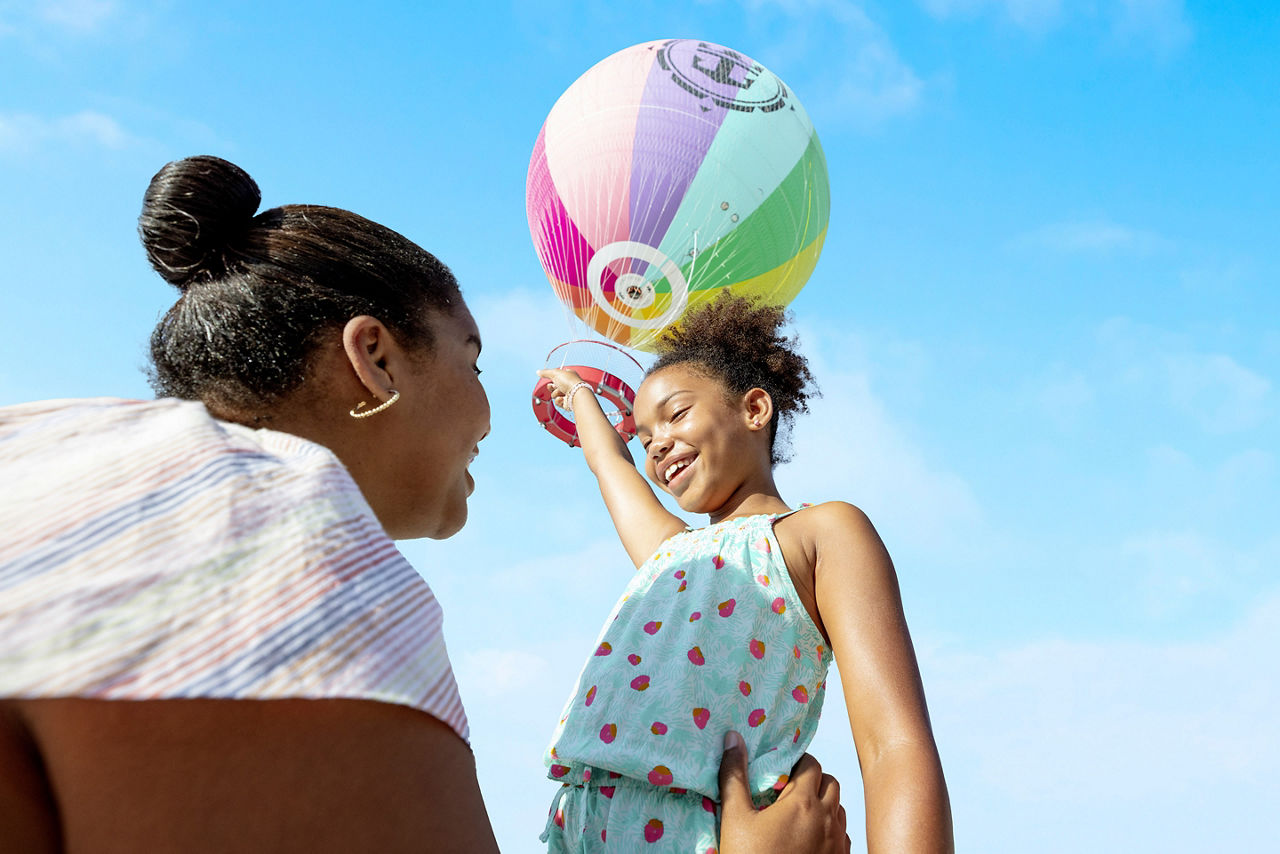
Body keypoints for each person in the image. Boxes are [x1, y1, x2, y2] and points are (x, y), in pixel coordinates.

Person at [0, 155, 849, 853]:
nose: (486, 412)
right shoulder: (302, 532)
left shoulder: (47, 457)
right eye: (472, 363)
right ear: (373, 357)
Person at [536, 293, 954, 852]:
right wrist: (582, 394)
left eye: (676, 414)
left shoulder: (821, 534)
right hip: (581, 824)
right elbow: (609, 462)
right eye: (644, 436)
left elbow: (892, 745)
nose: (657, 442)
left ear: (755, 410)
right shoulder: (669, 555)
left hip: (709, 830)